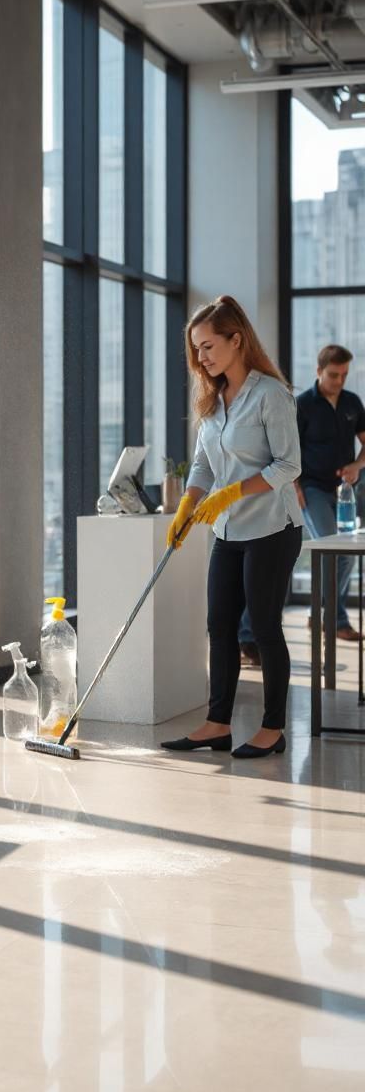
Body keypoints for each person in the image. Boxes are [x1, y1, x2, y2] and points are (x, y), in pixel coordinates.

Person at [161, 296, 303, 759]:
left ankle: (273, 728)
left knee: (262, 626)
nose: (200, 357)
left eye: (207, 346)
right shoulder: (213, 399)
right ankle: (217, 724)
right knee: (219, 625)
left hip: (272, 528)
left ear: (235, 339)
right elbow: (203, 463)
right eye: (196, 349)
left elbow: (289, 465)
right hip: (228, 531)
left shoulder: (270, 395)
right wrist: (188, 505)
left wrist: (233, 492)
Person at [296, 344, 365, 640]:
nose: (339, 381)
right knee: (330, 550)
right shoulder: (303, 404)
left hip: (345, 491)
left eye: (344, 375)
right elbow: (288, 452)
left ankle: (320, 613)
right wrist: (294, 487)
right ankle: (336, 621)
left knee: (347, 556)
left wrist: (357, 465)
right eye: (334, 374)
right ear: (319, 371)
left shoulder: (352, 402)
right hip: (311, 489)